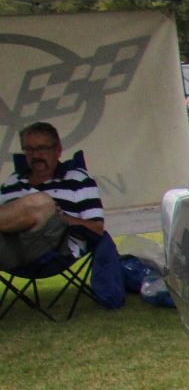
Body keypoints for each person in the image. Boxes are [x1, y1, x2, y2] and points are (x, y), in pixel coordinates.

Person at [0, 122, 123, 305]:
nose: (35, 155)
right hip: (12, 248)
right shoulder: (12, 182)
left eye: (42, 148)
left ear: (58, 150)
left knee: (40, 202)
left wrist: (60, 217)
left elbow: (96, 228)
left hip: (55, 249)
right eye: (29, 150)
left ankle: (40, 209)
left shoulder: (77, 179)